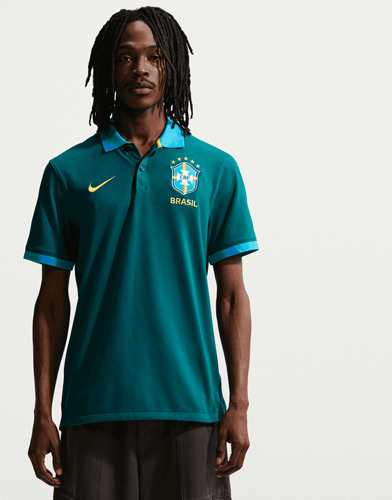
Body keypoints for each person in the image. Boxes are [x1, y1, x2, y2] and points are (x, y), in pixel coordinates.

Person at [24, 6, 258, 500]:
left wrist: (238, 404)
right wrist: (43, 410)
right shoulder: (67, 172)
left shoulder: (216, 169)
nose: (141, 69)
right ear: (108, 69)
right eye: (126, 57)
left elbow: (233, 297)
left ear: (173, 66)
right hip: (94, 406)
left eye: (155, 56)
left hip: (192, 407)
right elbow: (51, 303)